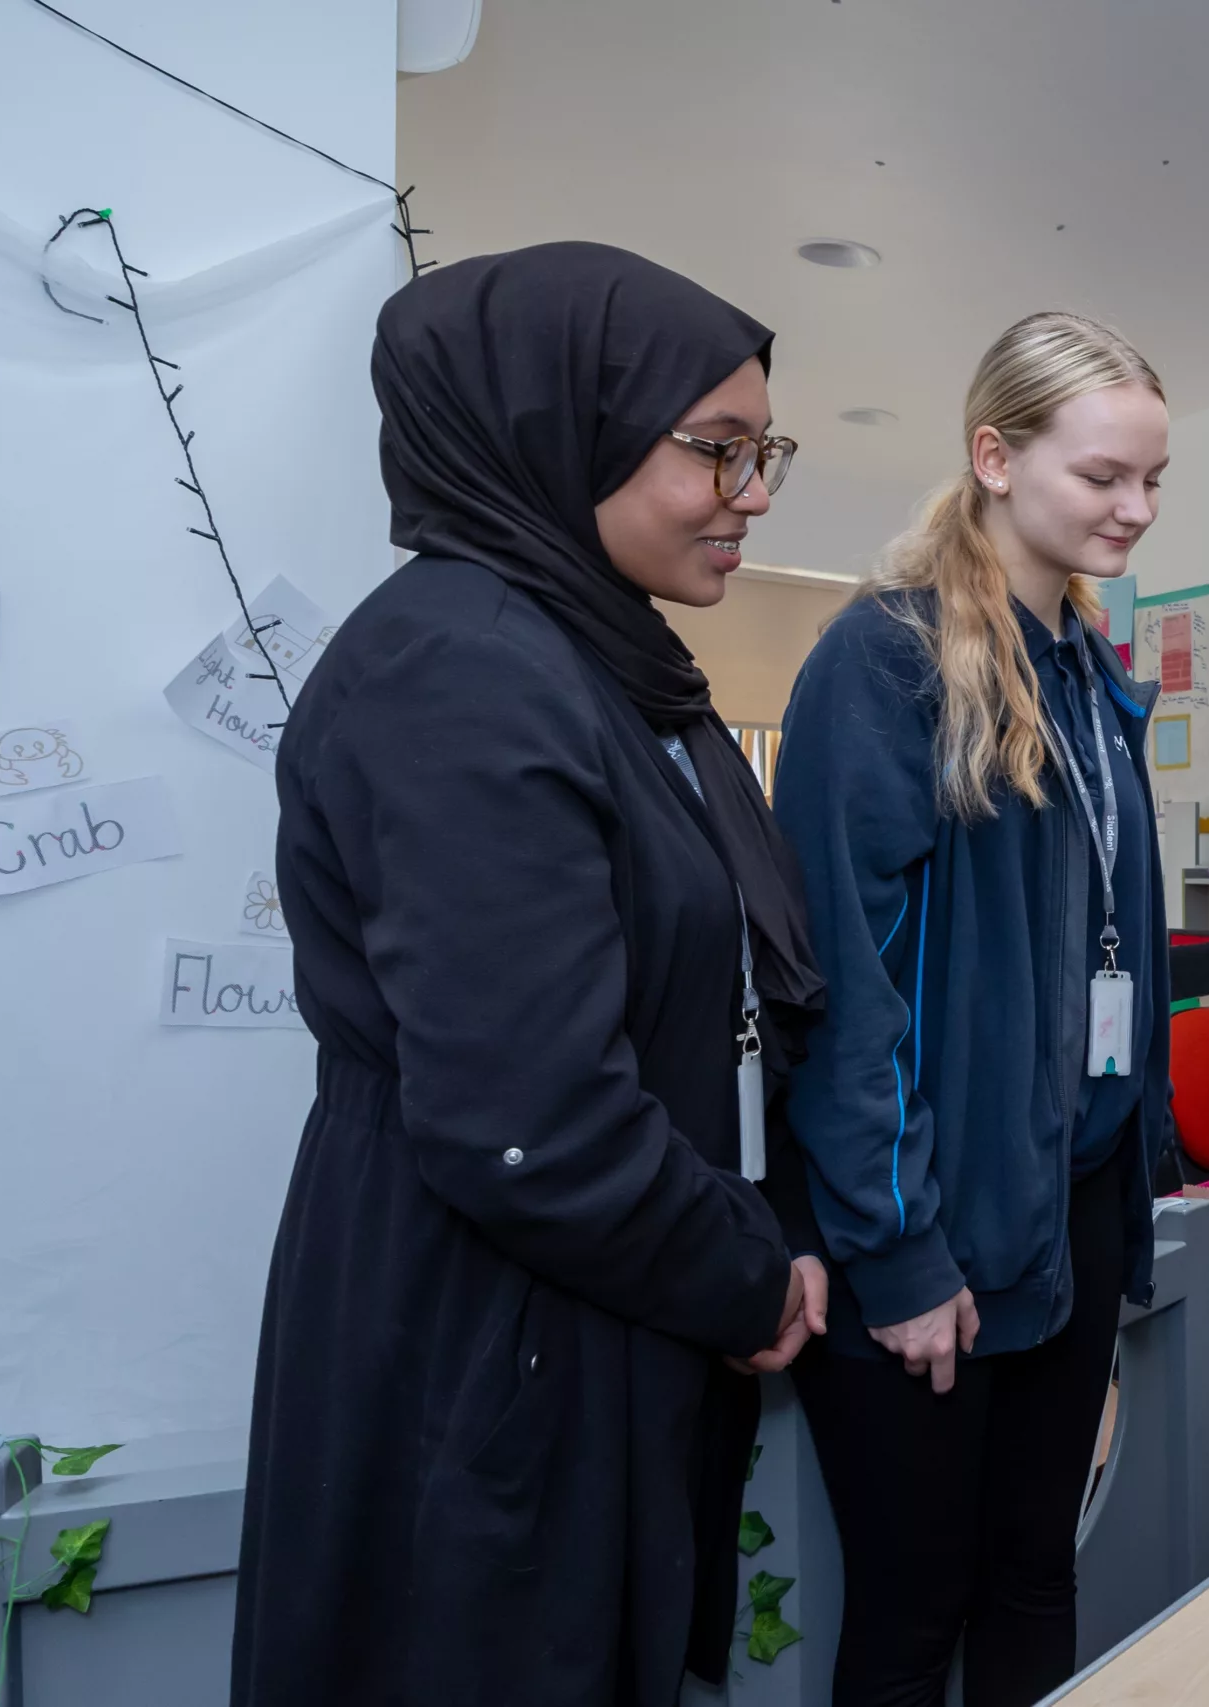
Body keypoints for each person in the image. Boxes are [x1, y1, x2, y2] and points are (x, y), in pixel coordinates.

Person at [235, 243, 830, 1707]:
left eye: (767, 453)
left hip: (574, 1311)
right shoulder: (466, 668)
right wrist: (748, 1270)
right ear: (558, 426)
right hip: (486, 1334)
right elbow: (534, 1116)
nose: (752, 494)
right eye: (717, 450)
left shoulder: (595, 664)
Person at [771, 312, 1173, 1707]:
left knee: (1033, 1571)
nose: (1135, 509)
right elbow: (843, 986)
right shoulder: (887, 660)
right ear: (995, 456)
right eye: (1104, 475)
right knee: (912, 1610)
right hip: (933, 1224)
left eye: (1153, 480)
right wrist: (898, 1250)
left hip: (1066, 1209)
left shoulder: (1086, 671)